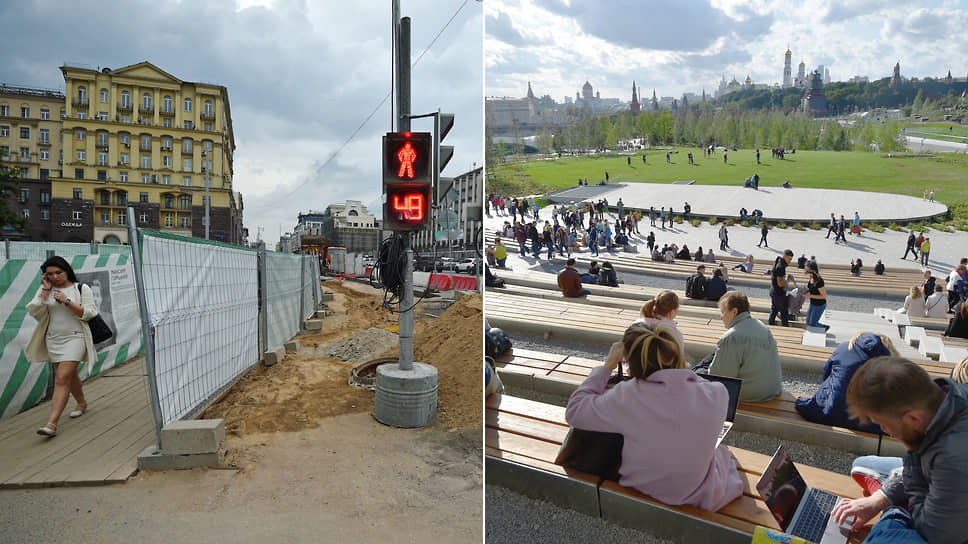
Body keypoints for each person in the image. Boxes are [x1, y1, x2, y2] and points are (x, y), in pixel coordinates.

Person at [564, 321, 744, 511]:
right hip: (696, 492)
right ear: (677, 353)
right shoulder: (718, 393)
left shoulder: (626, 395)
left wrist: (608, 365)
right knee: (721, 452)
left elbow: (574, 410)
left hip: (644, 485)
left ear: (629, 363)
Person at [832, 357, 968, 544]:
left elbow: (933, 535)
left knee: (887, 539)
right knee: (861, 464)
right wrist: (879, 499)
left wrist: (891, 509)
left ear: (913, 418)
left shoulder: (954, 457)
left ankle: (896, 510)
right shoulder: (945, 397)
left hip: (945, 531)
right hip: (946, 481)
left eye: (884, 424)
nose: (884, 431)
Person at [25, 256, 98, 437]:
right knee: (69, 376)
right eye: (50, 274)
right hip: (53, 340)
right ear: (45, 276)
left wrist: (67, 301)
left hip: (76, 337)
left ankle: (52, 424)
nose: (55, 276)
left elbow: (89, 313)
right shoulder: (46, 290)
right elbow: (33, 310)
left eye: (59, 272)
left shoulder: (80, 288)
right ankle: (81, 403)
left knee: (62, 378)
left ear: (67, 271)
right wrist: (45, 290)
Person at [795, 333, 897, 434]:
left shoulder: (844, 347)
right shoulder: (889, 366)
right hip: (865, 423)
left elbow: (826, 374)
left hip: (829, 412)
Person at [704, 291, 783, 402]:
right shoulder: (761, 326)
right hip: (772, 390)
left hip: (749, 395)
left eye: (723, 312)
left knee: (700, 372)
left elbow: (719, 378)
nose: (721, 317)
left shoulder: (731, 337)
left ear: (734, 312)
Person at [636, 290, 686, 359]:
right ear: (672, 312)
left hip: (635, 369)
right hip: (662, 369)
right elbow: (678, 359)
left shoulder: (637, 325)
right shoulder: (675, 334)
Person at [769, 250, 794, 327]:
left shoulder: (777, 261)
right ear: (784, 256)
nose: (790, 261)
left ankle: (771, 325)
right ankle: (785, 329)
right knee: (784, 312)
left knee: (774, 309)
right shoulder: (781, 267)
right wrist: (788, 281)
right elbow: (780, 283)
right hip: (778, 293)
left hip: (773, 291)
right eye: (789, 259)